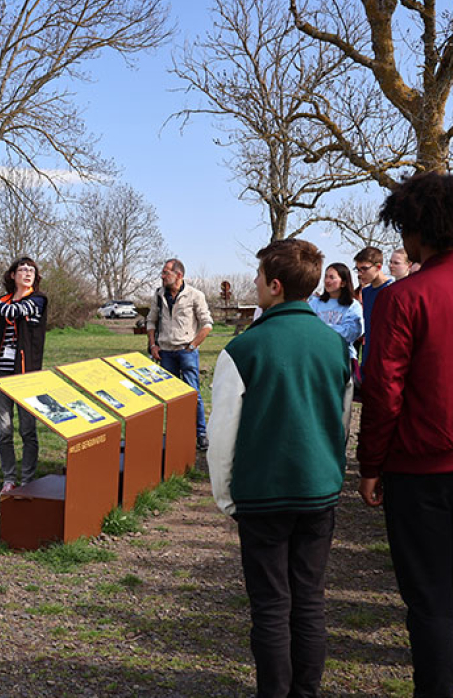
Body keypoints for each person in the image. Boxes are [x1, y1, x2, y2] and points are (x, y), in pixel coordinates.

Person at [358, 172, 453, 698]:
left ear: (416, 229)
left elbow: (384, 390)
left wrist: (371, 465)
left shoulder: (402, 298)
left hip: (420, 469)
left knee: (430, 598)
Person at [208, 238, 353, 698]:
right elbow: (342, 421)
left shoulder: (243, 349)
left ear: (274, 285)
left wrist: (225, 494)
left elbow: (223, 435)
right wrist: (333, 471)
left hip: (264, 494)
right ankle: (304, 692)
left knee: (271, 605)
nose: (253, 284)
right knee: (309, 599)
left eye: (257, 278)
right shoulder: (336, 347)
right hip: (318, 489)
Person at [0, 257, 48, 498]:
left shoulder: (38, 300)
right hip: (0, 374)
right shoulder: (3, 300)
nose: (27, 273)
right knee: (4, 431)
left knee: (27, 430)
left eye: (31, 271)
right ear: (12, 276)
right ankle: (8, 479)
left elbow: (12, 312)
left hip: (26, 375)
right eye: (22, 270)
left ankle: (27, 480)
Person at [146, 258, 213, 450]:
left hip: (186, 352)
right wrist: (153, 345)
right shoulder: (158, 295)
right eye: (163, 272)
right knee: (171, 397)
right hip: (165, 353)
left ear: (179, 275)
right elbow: (151, 321)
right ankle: (177, 434)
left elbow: (207, 324)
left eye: (166, 272)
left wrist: (192, 345)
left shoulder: (195, 295)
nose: (162, 276)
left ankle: (201, 434)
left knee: (193, 394)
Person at [307, 262, 364, 364]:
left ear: (343, 283)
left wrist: (321, 328)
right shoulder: (314, 303)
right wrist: (336, 329)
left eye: (332, 277)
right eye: (326, 277)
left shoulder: (352, 305)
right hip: (316, 356)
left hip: (342, 357)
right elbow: (307, 328)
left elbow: (352, 333)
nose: (327, 281)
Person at [353, 246, 393, 364]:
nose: (360, 274)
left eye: (364, 269)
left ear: (378, 267)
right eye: (358, 269)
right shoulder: (365, 292)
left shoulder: (392, 291)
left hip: (386, 358)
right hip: (367, 357)